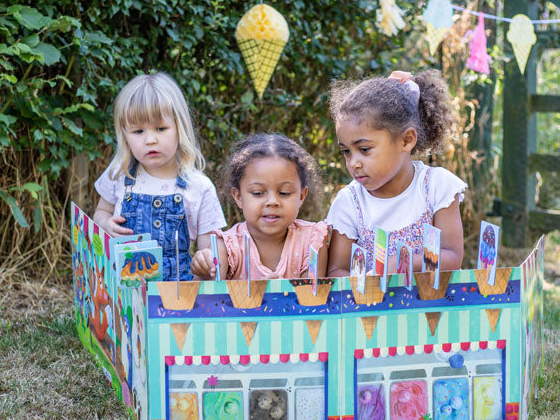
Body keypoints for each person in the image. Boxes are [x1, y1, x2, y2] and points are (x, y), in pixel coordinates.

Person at [326, 70, 466, 277]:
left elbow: (452, 257)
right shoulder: (350, 203)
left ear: (406, 140)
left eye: (364, 149)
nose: (353, 163)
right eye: (346, 151)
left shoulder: (437, 187)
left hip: (433, 307)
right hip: (371, 308)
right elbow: (337, 270)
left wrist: (402, 263)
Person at [93, 72, 226, 281]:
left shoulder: (199, 187)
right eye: (138, 132)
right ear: (125, 136)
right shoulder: (120, 173)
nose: (150, 140)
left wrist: (206, 261)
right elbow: (101, 212)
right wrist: (105, 224)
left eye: (161, 128)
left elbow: (209, 248)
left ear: (179, 128)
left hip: (178, 295)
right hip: (125, 293)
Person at [191, 133, 329, 280]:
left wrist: (281, 292)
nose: (272, 201)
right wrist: (205, 270)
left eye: (284, 193)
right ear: (238, 197)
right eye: (258, 193)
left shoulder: (312, 241)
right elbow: (208, 296)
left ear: (301, 196)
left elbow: (312, 297)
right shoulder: (226, 248)